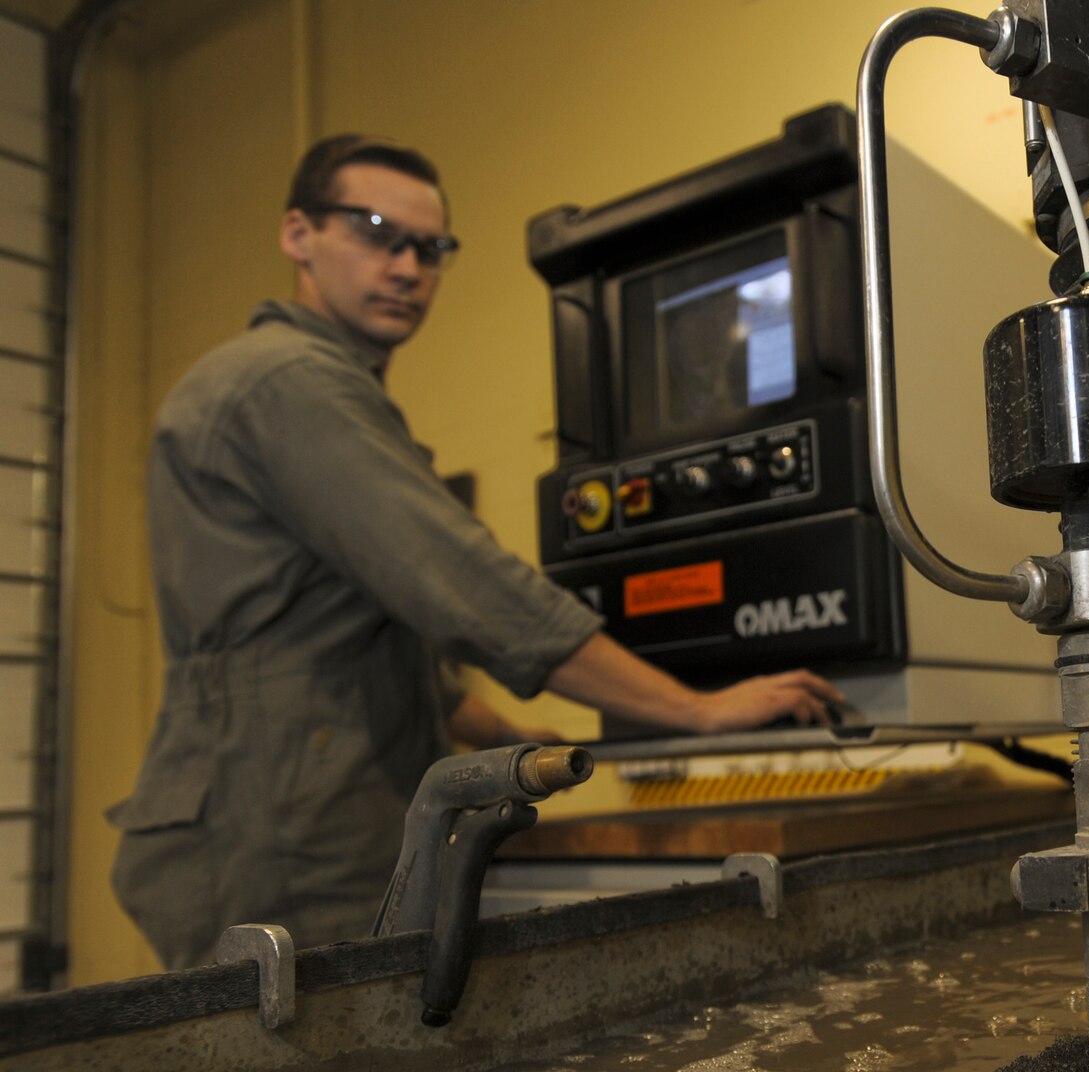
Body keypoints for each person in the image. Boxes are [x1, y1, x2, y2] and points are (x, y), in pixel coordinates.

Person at [108, 134, 843, 969]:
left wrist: (508, 733)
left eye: (431, 248)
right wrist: (696, 709)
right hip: (283, 824)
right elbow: (470, 588)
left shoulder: (312, 389)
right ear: (298, 234)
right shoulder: (287, 384)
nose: (407, 266)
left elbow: (354, 635)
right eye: (377, 231)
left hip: (289, 800)